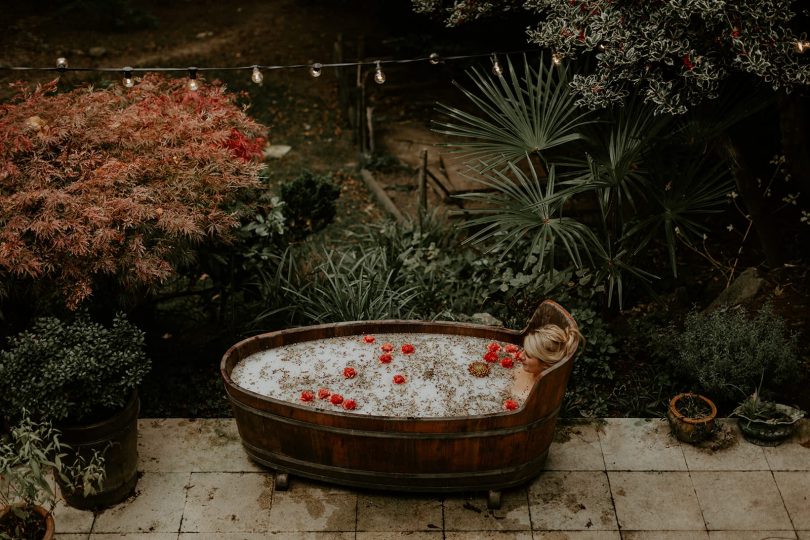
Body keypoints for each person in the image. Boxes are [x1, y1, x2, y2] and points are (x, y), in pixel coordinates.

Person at [513, 324, 582, 395]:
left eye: (528, 355)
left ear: (545, 364)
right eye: (524, 349)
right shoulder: (524, 369)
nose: (520, 356)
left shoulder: (539, 394)